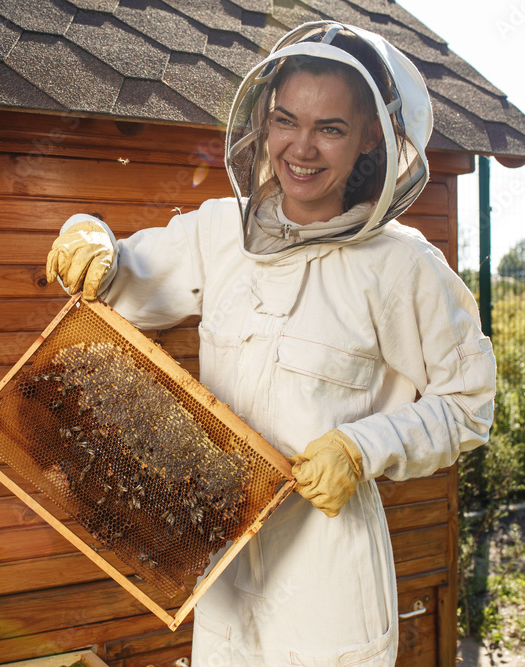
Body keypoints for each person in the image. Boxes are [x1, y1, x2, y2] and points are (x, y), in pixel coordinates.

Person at [45, 21, 495, 667]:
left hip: (329, 587)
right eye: (286, 120)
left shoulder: (404, 269)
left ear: (372, 136)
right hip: (221, 572)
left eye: (330, 128)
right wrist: (87, 236)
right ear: (263, 119)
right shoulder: (221, 233)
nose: (301, 147)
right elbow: (121, 279)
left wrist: (364, 446)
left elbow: (470, 402)